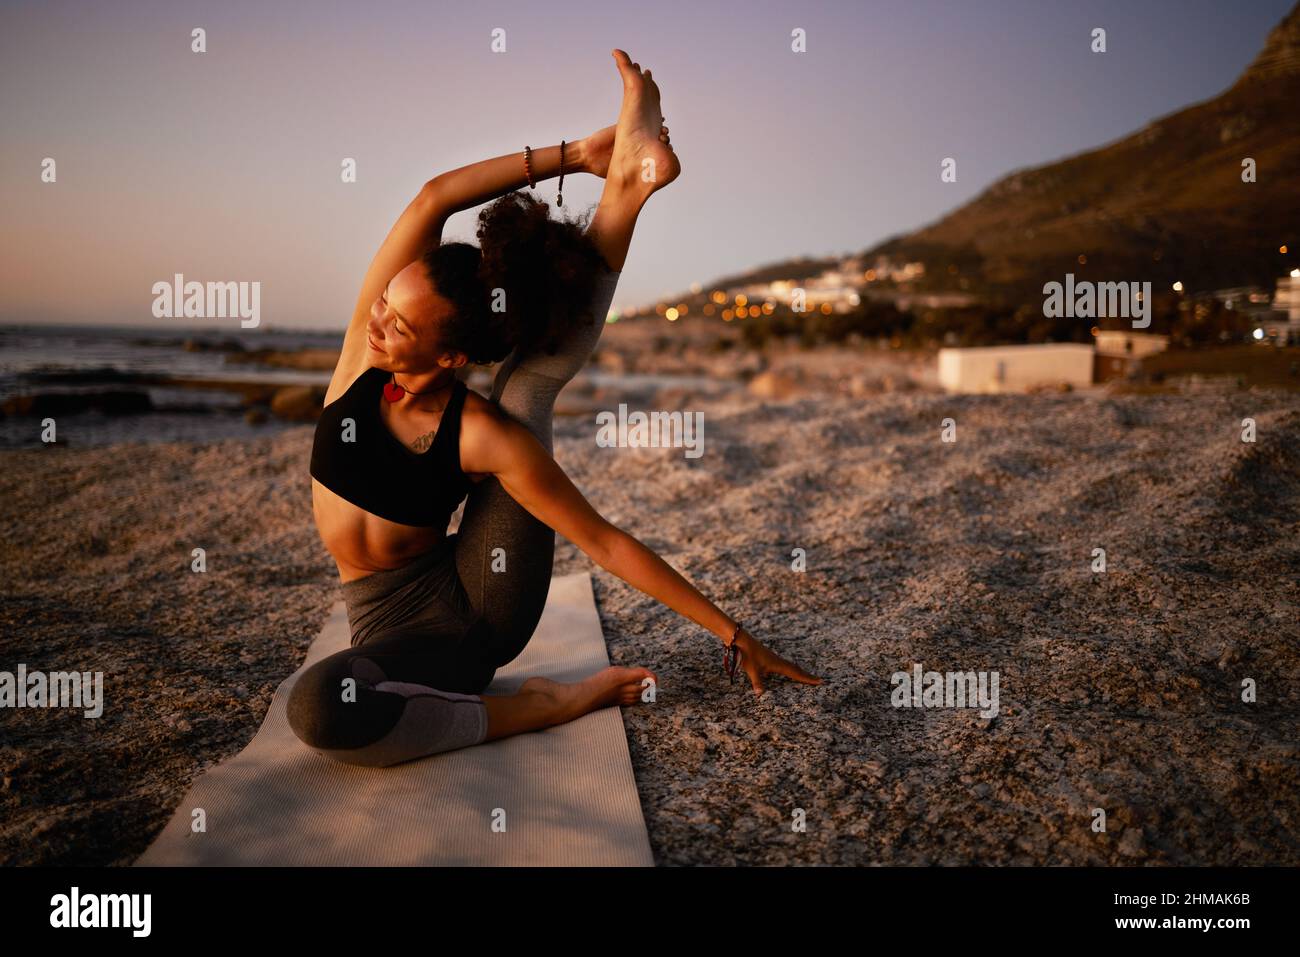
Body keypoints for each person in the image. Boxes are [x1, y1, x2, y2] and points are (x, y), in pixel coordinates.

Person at [289, 49, 821, 768]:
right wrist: (575, 154)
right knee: (339, 703)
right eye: (384, 302)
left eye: (400, 323)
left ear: (450, 357)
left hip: (475, 613)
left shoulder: (477, 432)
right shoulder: (363, 352)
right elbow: (433, 198)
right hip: (382, 619)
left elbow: (603, 541)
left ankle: (547, 702)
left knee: (319, 709)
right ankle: (624, 170)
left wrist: (733, 633)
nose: (376, 320)